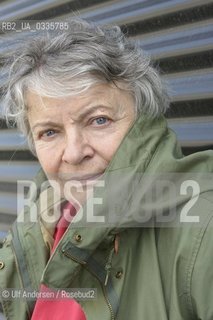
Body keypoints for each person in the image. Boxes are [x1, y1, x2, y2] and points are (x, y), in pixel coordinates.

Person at [0, 18, 213, 320]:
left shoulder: (203, 229)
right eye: (49, 132)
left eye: (99, 120)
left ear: (144, 120)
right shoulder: (42, 221)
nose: (74, 153)